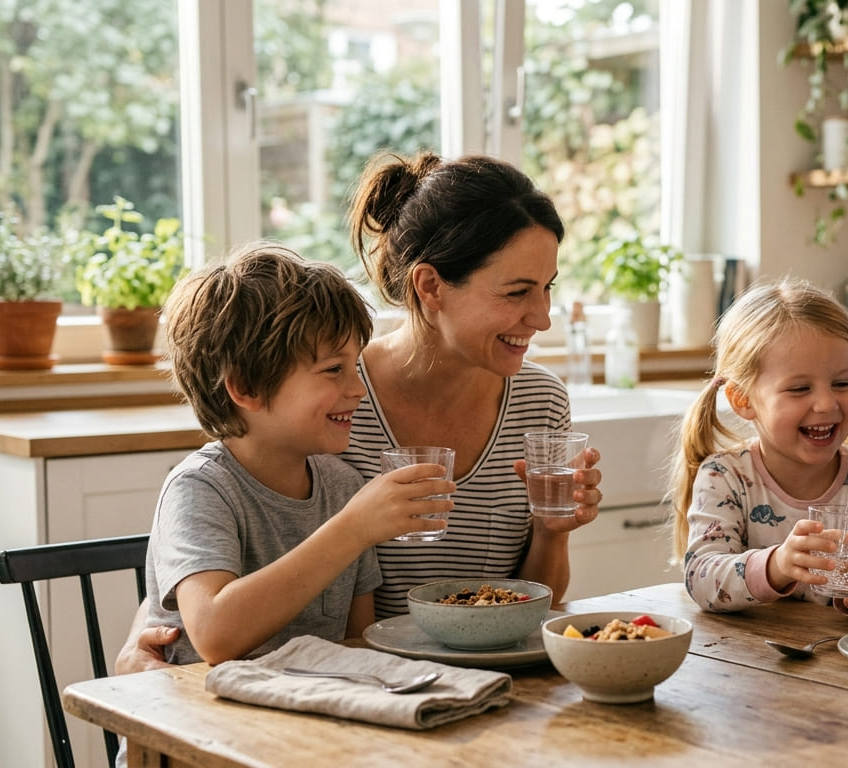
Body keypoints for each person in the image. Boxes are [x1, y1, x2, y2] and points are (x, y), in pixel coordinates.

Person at [118, 152, 604, 672]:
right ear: (431, 286)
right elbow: (218, 529)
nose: (544, 318)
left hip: (423, 687)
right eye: (517, 292)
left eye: (547, 287)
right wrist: (138, 649)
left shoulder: (539, 403)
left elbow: (525, 613)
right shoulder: (323, 403)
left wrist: (553, 531)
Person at [144, 243, 454, 665]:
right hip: (206, 722)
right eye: (333, 370)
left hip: (307, 719)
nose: (357, 389)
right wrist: (353, 528)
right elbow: (214, 636)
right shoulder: (200, 489)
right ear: (247, 388)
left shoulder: (343, 486)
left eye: (355, 366)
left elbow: (357, 644)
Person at [670, 278, 848, 621]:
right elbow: (701, 577)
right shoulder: (725, 476)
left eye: (842, 383)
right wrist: (777, 565)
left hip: (840, 661)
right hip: (746, 665)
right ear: (743, 399)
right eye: (800, 388)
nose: (825, 403)